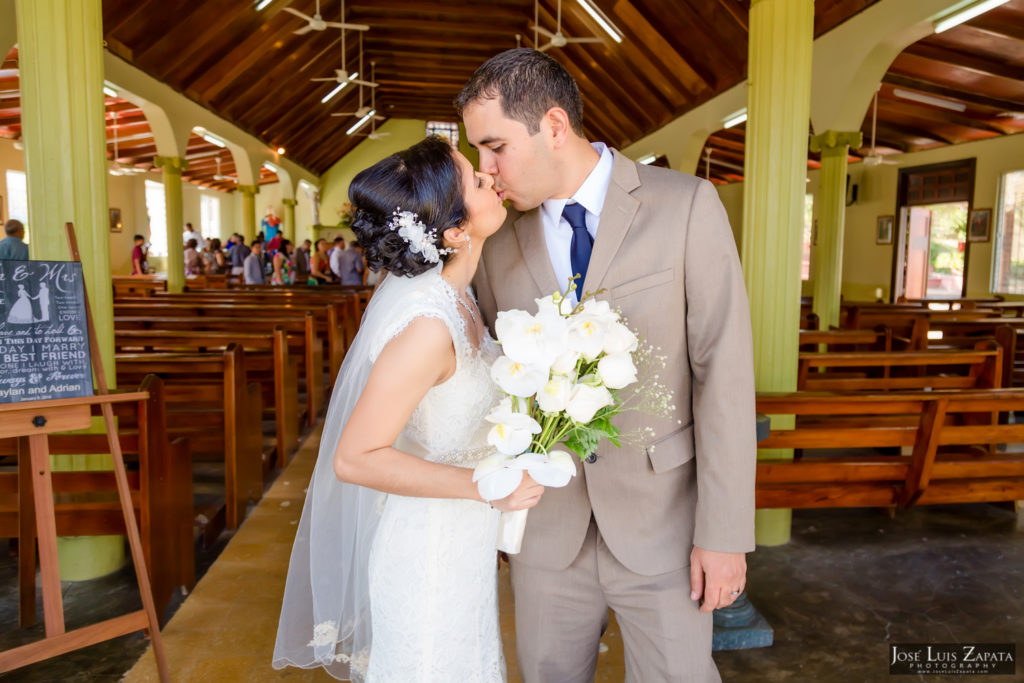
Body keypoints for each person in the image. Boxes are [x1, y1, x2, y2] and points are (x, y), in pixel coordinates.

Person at [457, 48, 757, 682]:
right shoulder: (496, 242)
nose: (485, 172)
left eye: (494, 148)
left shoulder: (686, 206)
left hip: (666, 528)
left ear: (555, 127)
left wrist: (725, 534)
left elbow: (723, 374)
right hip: (546, 537)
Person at [274, 136, 540, 681]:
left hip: (459, 544)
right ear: (455, 231)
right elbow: (356, 458)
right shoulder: (426, 326)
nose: (491, 176)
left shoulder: (458, 296)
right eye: (475, 178)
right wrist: (486, 485)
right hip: (427, 555)